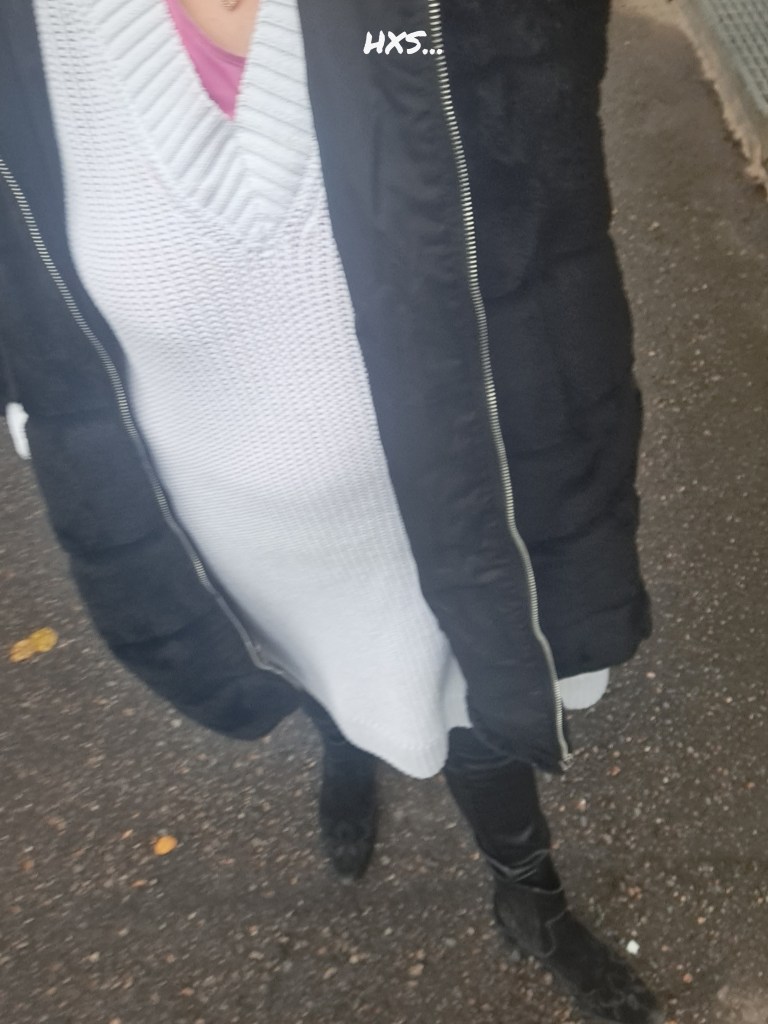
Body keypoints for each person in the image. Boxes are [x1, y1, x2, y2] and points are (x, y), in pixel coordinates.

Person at [0, 1, 662, 1021]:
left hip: (445, 526)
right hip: (233, 540)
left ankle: (528, 893)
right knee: (309, 667)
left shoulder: (420, 23)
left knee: (476, 714)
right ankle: (346, 749)